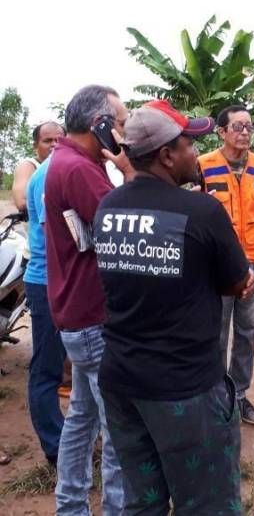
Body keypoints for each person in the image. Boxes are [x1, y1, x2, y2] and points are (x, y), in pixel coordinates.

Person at [95, 100, 254, 514]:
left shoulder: (108, 208)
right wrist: (238, 282)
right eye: (188, 145)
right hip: (184, 390)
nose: (195, 154)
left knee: (142, 502)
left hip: (121, 383)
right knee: (206, 504)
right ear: (166, 156)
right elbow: (239, 282)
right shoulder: (202, 211)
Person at [45, 84, 132, 514]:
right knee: (117, 427)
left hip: (76, 314)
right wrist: (131, 172)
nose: (125, 133)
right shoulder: (79, 169)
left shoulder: (67, 159)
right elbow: (124, 226)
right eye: (120, 124)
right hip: (93, 317)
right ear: (99, 126)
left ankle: (71, 505)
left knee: (81, 418)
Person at [198, 105, 254, 426]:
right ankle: (216, 395)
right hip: (216, 265)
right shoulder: (203, 166)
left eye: (249, 127)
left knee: (247, 331)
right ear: (221, 131)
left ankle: (239, 395)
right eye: (238, 127)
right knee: (215, 331)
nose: (245, 132)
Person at [22, 125, 67, 467]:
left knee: (61, 365)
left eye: (58, 138)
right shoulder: (51, 174)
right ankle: (55, 448)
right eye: (48, 140)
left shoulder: (61, 169)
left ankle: (67, 439)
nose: (54, 145)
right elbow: (56, 238)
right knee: (47, 368)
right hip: (50, 282)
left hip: (57, 281)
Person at [12, 121, 64, 213]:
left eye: (59, 140)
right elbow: (22, 203)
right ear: (35, 145)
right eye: (48, 141)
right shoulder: (29, 166)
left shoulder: (65, 166)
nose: (54, 144)